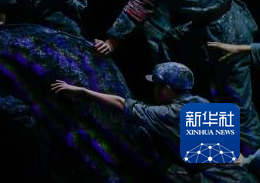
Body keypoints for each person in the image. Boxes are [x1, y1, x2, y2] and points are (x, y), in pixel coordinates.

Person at [69, 0, 260, 147]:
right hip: (200, 25)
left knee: (236, 99)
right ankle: (187, 121)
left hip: (225, 30)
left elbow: (142, 4)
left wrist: (112, 42)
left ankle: (247, 156)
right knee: (169, 44)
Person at [51, 62, 211, 179]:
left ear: (167, 89)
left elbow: (121, 103)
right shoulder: (203, 102)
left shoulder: (167, 114)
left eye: (156, 85)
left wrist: (81, 91)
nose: (153, 89)